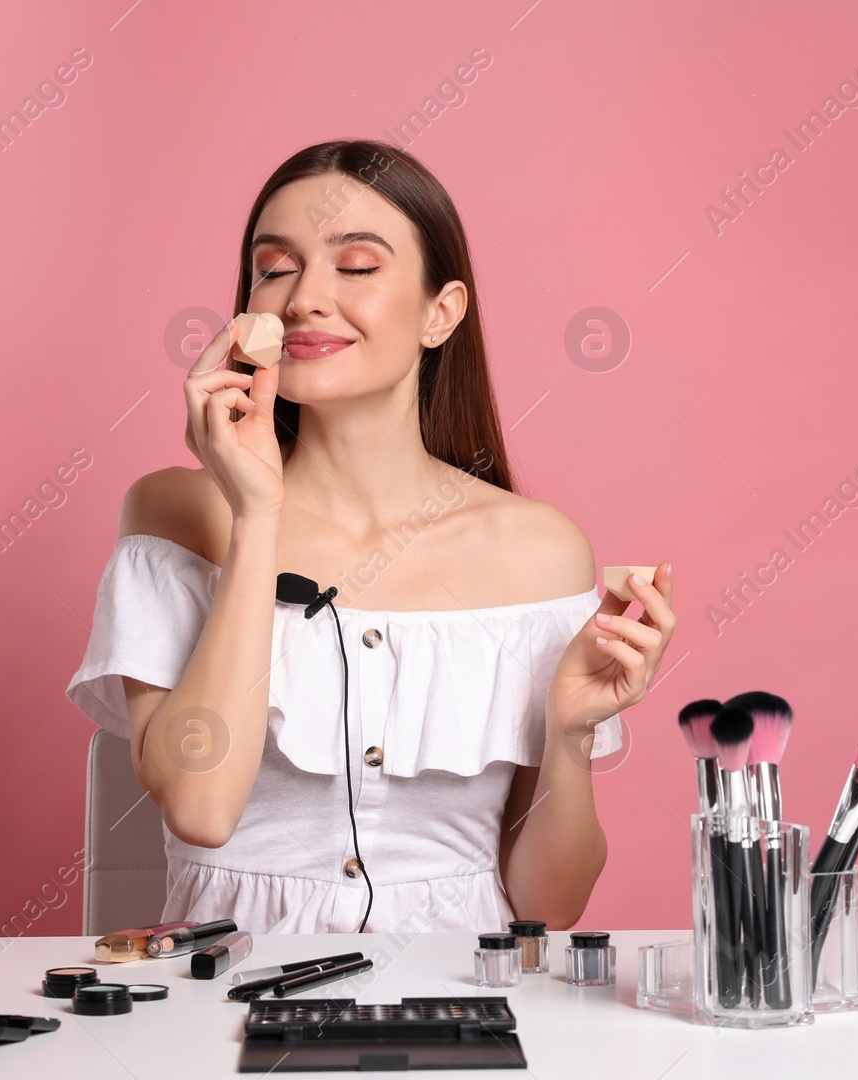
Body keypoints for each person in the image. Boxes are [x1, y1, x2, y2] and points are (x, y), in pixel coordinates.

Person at [66, 139, 675, 934]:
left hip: (463, 1006)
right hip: (229, 1008)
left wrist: (568, 736)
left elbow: (547, 909)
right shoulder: (177, 513)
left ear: (440, 313)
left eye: (356, 266)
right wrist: (257, 517)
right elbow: (201, 808)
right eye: (276, 267)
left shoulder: (539, 550)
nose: (306, 297)